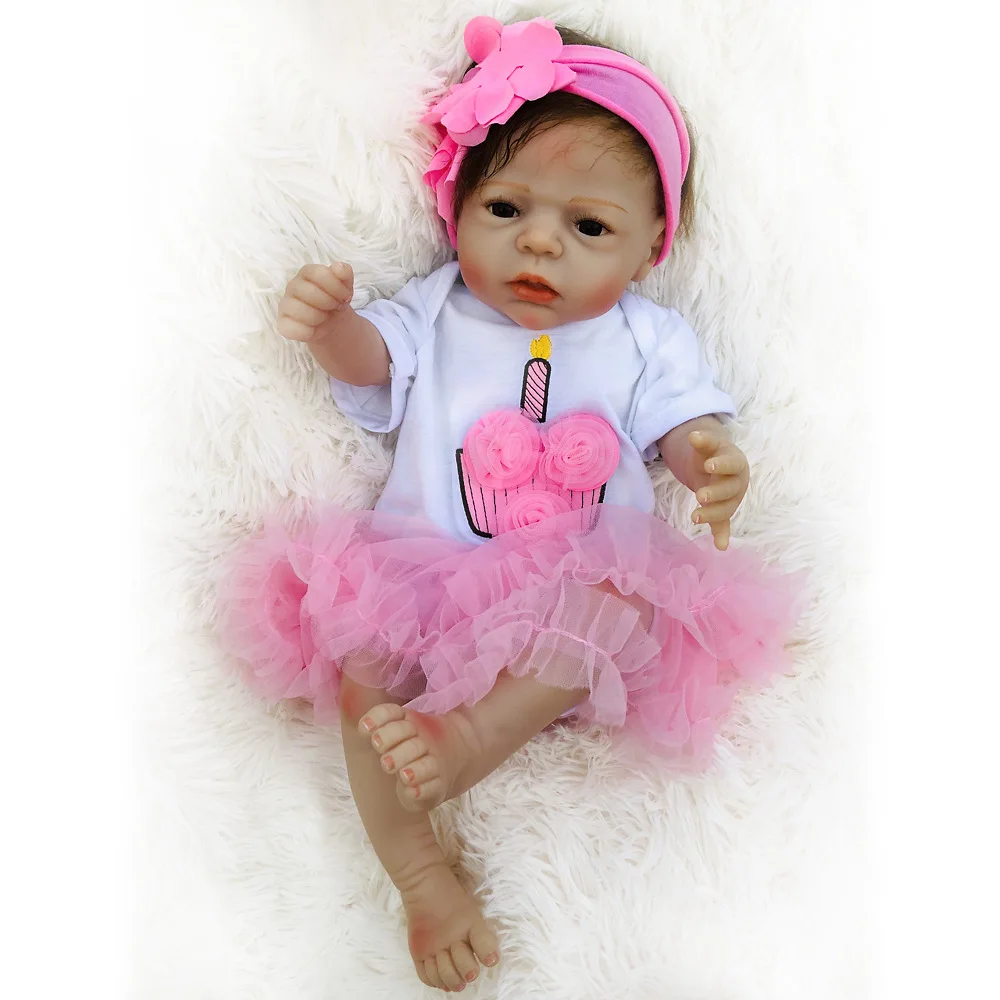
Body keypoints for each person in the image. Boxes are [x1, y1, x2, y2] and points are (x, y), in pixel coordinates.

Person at [217, 15, 801, 993]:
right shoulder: (437, 305)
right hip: (421, 578)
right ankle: (420, 876)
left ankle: (472, 738)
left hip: (568, 590)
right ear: (458, 214)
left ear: (650, 248)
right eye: (505, 208)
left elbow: (682, 429)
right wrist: (332, 327)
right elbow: (373, 366)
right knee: (364, 676)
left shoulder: (646, 338)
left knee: (623, 603)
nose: (538, 241)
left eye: (588, 227)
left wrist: (712, 463)